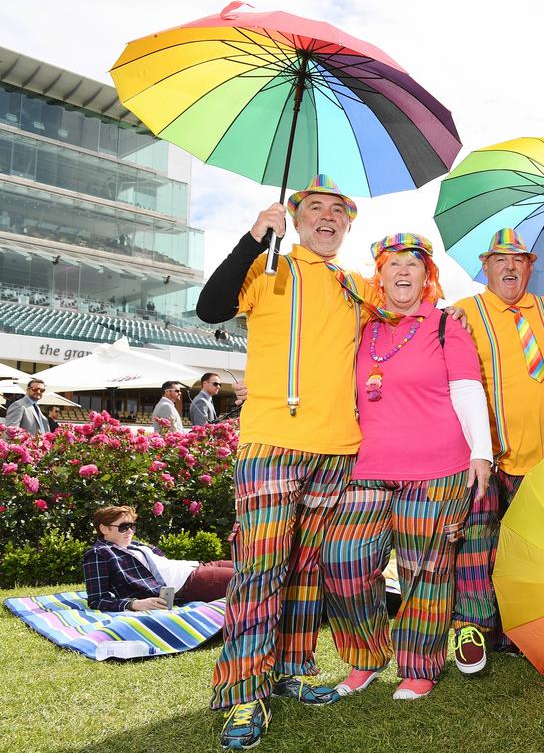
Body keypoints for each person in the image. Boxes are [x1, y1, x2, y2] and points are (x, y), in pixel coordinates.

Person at [195, 174, 376, 747]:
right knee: (262, 569)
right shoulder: (267, 266)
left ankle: (292, 670)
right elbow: (209, 307)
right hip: (272, 441)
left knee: (305, 569)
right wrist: (253, 238)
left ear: (349, 223)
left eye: (337, 211)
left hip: (336, 448)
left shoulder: (357, 285)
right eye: (313, 208)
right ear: (295, 218)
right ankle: (245, 694)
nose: (326, 217)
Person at [329, 233, 492, 701]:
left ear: (428, 276)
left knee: (425, 571)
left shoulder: (447, 325)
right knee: (344, 562)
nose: (402, 271)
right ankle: (365, 658)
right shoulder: (362, 325)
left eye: (413, 264)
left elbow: (466, 389)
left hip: (439, 468)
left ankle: (420, 666)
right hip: (368, 466)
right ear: (378, 274)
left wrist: (481, 450)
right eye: (392, 263)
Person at [450, 228, 544, 675]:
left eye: (518, 260)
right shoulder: (462, 312)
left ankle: (520, 627)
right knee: (478, 542)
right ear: (486, 264)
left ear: (530, 266)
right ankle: (472, 627)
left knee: (529, 548)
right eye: (500, 259)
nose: (510, 267)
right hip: (486, 454)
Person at [83, 505, 233, 611]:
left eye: (132, 526)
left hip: (197, 567)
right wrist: (133, 604)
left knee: (249, 564)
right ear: (104, 529)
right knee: (248, 578)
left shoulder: (132, 545)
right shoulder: (99, 553)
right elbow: (97, 599)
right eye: (123, 527)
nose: (130, 531)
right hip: (188, 582)